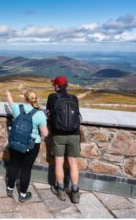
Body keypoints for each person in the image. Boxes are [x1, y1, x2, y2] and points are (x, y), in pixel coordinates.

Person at [4, 87, 48, 203]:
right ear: (36, 98)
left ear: (25, 98)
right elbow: (45, 133)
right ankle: (22, 195)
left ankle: (10, 189)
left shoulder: (17, 109)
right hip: (32, 145)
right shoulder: (40, 114)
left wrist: (8, 93)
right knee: (26, 169)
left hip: (15, 141)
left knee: (13, 164)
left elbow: (10, 102)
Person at [45, 75, 83, 203]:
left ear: (56, 86)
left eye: (53, 84)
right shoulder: (74, 98)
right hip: (74, 134)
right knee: (73, 163)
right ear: (66, 85)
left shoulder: (52, 97)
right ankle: (75, 193)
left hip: (58, 135)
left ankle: (61, 191)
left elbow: (48, 113)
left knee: (59, 163)